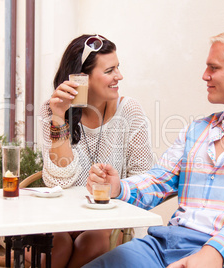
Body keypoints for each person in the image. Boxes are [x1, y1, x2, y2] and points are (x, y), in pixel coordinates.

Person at [85, 31, 224, 268]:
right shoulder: (198, 129)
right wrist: (118, 187)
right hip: (165, 245)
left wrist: (214, 252)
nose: (205, 76)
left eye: (213, 68)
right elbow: (159, 180)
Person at [38, 34, 153, 268]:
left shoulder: (129, 111)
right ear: (81, 78)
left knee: (96, 239)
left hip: (109, 220)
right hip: (64, 217)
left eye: (118, 68)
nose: (119, 76)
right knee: (56, 244)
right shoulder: (53, 110)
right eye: (110, 70)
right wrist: (59, 116)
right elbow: (57, 180)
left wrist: (114, 186)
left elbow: (144, 177)